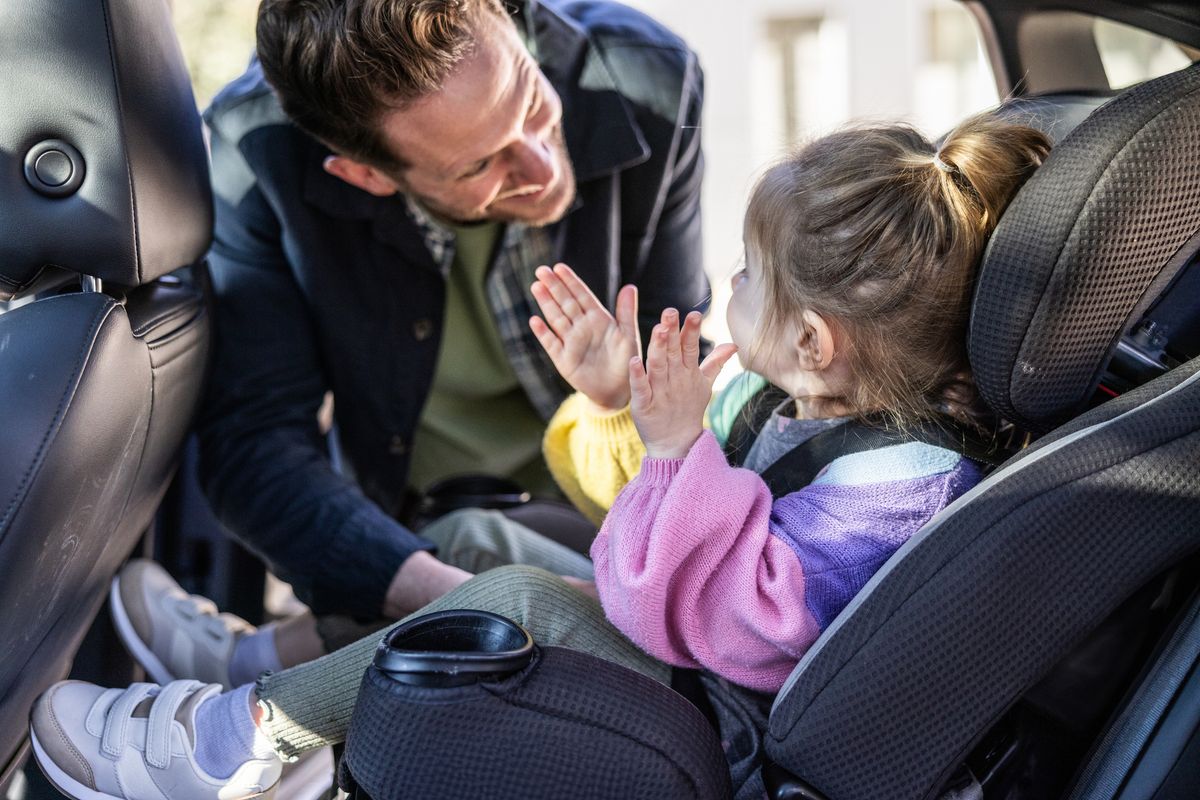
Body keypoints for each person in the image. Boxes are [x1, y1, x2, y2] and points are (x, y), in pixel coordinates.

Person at [29, 113, 1051, 800]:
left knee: (517, 594)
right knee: (470, 530)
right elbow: (635, 516)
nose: (728, 290)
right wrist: (618, 405)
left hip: (734, 713)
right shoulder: (799, 392)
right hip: (685, 637)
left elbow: (738, 622)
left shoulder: (898, 485)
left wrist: (679, 447)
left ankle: (240, 748)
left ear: (815, 339)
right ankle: (270, 665)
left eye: (749, 277)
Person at [189, 0, 709, 646]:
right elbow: (255, 445)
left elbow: (673, 366)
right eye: (477, 167)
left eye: (528, 96)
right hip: (413, 536)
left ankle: (257, 659)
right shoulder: (255, 156)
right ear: (365, 176)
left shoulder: (650, 80)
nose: (544, 170)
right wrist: (472, 601)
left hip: (619, 506)